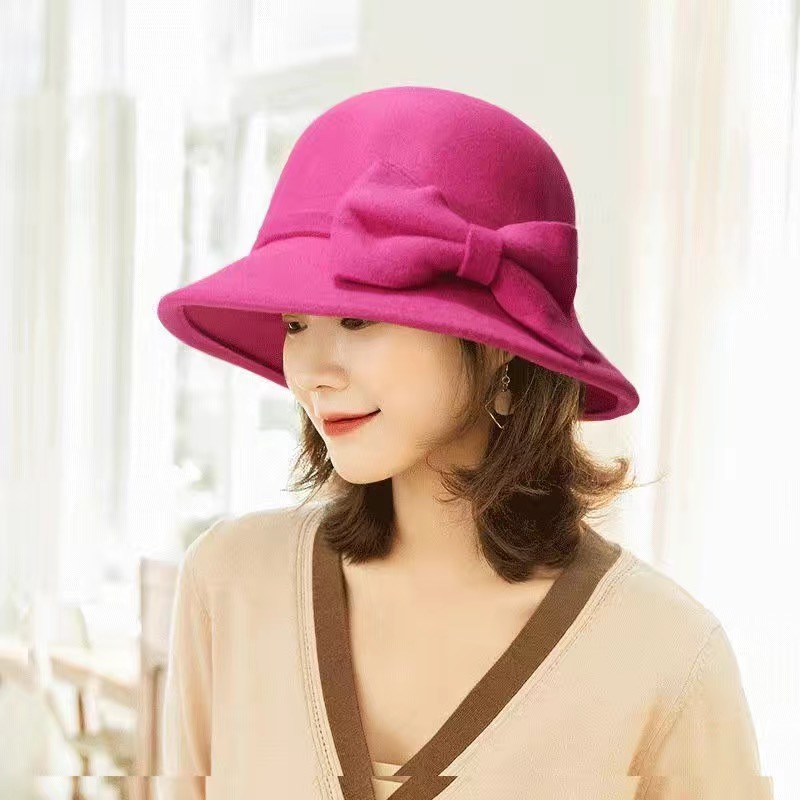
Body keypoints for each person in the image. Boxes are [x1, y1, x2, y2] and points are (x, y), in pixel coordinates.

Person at [155, 86, 771, 800]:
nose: (314, 372)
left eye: (356, 321)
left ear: (500, 348)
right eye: (295, 324)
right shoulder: (229, 585)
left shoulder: (664, 658)